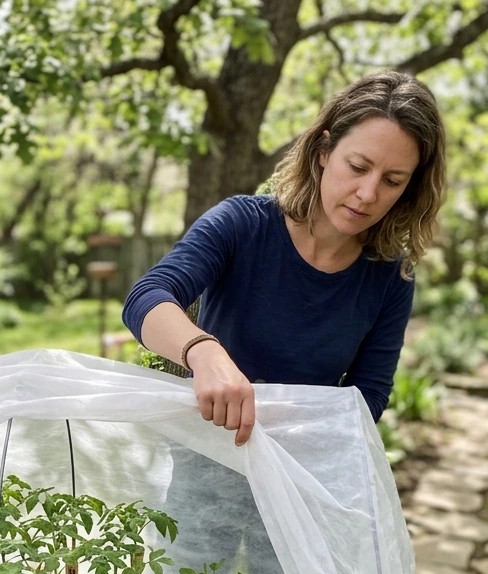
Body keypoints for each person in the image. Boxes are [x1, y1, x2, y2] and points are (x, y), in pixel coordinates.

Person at [123, 70, 448, 446]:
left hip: (304, 478)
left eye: (392, 180)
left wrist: (287, 426)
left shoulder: (391, 275)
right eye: (358, 167)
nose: (368, 193)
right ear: (324, 151)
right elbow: (146, 296)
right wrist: (204, 352)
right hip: (202, 468)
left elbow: (369, 395)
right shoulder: (242, 224)